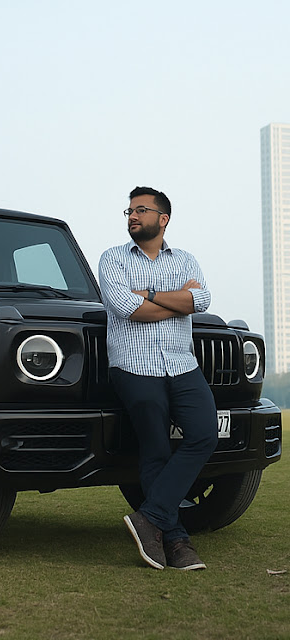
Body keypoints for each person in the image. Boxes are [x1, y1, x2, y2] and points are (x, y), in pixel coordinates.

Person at [98, 186, 218, 571]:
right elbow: (127, 308)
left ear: (163, 219)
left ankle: (149, 517)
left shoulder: (185, 260)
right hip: (134, 366)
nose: (133, 216)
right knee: (156, 450)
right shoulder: (113, 259)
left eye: (141, 210)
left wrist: (149, 293)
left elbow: (202, 300)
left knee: (205, 434)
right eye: (130, 211)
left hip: (183, 364)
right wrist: (177, 301)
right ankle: (177, 542)